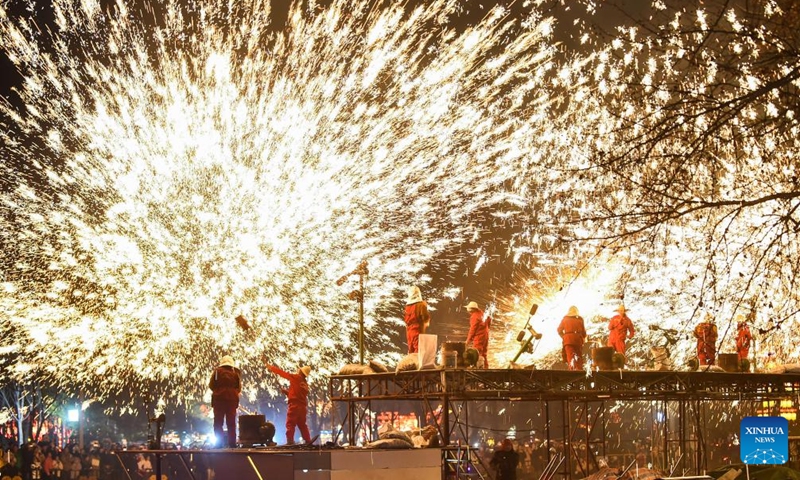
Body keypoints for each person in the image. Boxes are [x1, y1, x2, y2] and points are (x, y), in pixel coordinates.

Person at [267, 364, 313, 445]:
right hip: (302, 407)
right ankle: (308, 440)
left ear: (301, 372)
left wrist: (272, 368)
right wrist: (287, 392)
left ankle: (290, 441)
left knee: (290, 424)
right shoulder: (304, 383)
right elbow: (298, 396)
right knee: (302, 425)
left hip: (294, 406)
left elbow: (284, 374)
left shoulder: (296, 378)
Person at [208, 355, 242, 448]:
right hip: (232, 400)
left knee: (218, 423)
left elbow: (211, 385)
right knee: (231, 423)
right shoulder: (236, 372)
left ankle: (219, 444)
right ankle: (232, 444)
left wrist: (219, 391)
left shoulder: (216, 372)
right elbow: (238, 388)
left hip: (219, 400)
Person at [558, 306, 587, 370]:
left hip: (568, 340)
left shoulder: (565, 319)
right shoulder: (580, 319)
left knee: (570, 356)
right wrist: (583, 337)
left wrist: (564, 337)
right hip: (578, 340)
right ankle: (579, 371)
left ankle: (572, 371)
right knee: (578, 357)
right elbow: (584, 332)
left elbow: (559, 330)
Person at [404, 286, 431, 354]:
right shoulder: (421, 305)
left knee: (411, 351)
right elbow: (425, 318)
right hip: (417, 331)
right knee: (418, 352)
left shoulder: (407, 307)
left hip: (409, 332)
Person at [465, 301, 491, 368]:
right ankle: (486, 367)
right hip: (486, 335)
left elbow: (472, 330)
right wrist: (486, 329)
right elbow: (489, 320)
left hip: (479, 336)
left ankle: (478, 368)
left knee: (476, 353)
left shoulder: (474, 316)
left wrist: (468, 341)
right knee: (484, 353)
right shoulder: (482, 313)